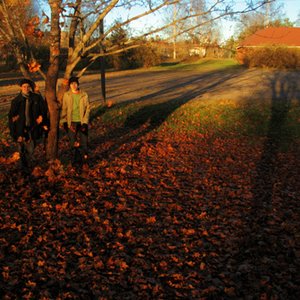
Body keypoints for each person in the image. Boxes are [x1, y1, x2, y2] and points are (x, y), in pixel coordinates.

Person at [8, 78, 49, 173]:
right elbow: (11, 118)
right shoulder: (16, 101)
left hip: (33, 127)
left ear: (30, 87)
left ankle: (28, 164)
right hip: (21, 129)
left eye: (28, 86)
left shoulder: (36, 98)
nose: (26, 88)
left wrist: (42, 118)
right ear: (21, 87)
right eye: (24, 86)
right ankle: (23, 168)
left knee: (31, 148)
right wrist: (15, 134)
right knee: (21, 149)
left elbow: (43, 109)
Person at [60, 76, 90, 164]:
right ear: (69, 85)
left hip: (81, 121)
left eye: (75, 83)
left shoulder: (84, 95)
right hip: (71, 122)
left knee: (84, 141)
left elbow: (87, 109)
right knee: (73, 142)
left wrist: (85, 123)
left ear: (78, 84)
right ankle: (76, 160)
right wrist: (64, 122)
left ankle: (85, 160)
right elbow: (64, 108)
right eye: (72, 84)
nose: (73, 85)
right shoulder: (67, 95)